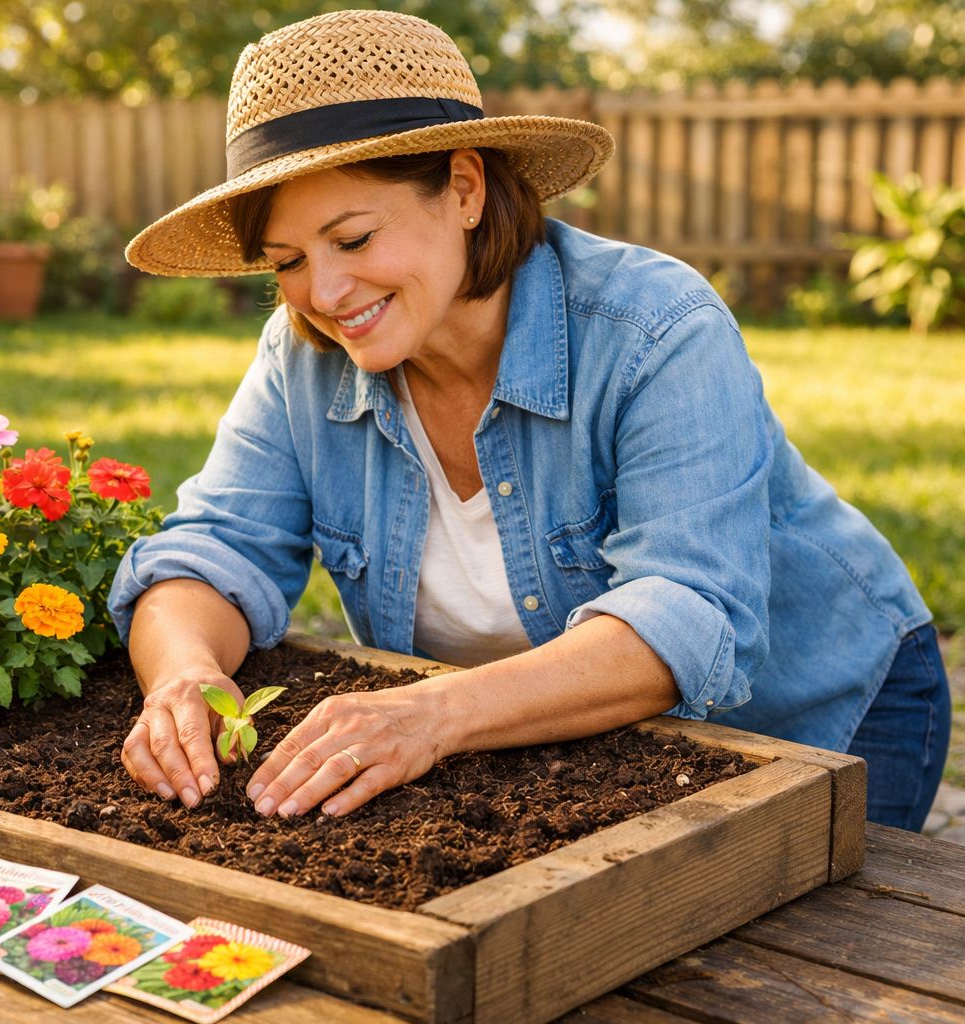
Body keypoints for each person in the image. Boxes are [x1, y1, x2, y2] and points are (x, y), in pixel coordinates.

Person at [108, 9, 950, 831]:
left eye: (354, 240)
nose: (323, 295)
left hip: (822, 713)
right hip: (553, 737)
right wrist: (182, 675)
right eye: (288, 262)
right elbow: (215, 549)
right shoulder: (301, 357)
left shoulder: (656, 328)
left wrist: (430, 714)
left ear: (465, 189)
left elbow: (688, 613)